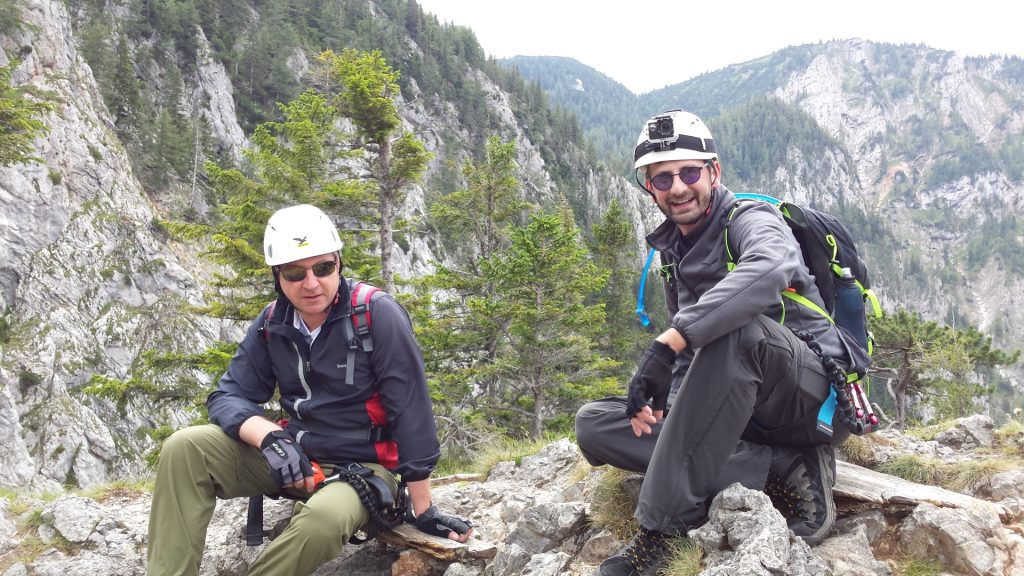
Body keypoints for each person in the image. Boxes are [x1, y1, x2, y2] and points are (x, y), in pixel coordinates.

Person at [576, 110, 860, 576]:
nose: (679, 187)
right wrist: (670, 401)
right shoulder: (673, 253)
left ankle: (663, 534)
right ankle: (779, 470)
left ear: (714, 172)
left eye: (690, 172)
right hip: (740, 411)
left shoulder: (752, 219)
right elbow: (694, 359)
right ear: (650, 187)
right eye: (663, 178)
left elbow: (770, 267)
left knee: (738, 330)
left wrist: (667, 343)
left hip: (807, 399)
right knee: (595, 424)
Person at [147, 204, 473, 576]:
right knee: (184, 448)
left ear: (338, 264)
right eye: (294, 272)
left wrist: (423, 509)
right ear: (278, 277)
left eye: (323, 268)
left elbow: (411, 413)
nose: (311, 283)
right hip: (292, 457)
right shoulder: (273, 323)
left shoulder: (376, 315)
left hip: (362, 468)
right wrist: (269, 437)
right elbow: (227, 396)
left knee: (323, 519)